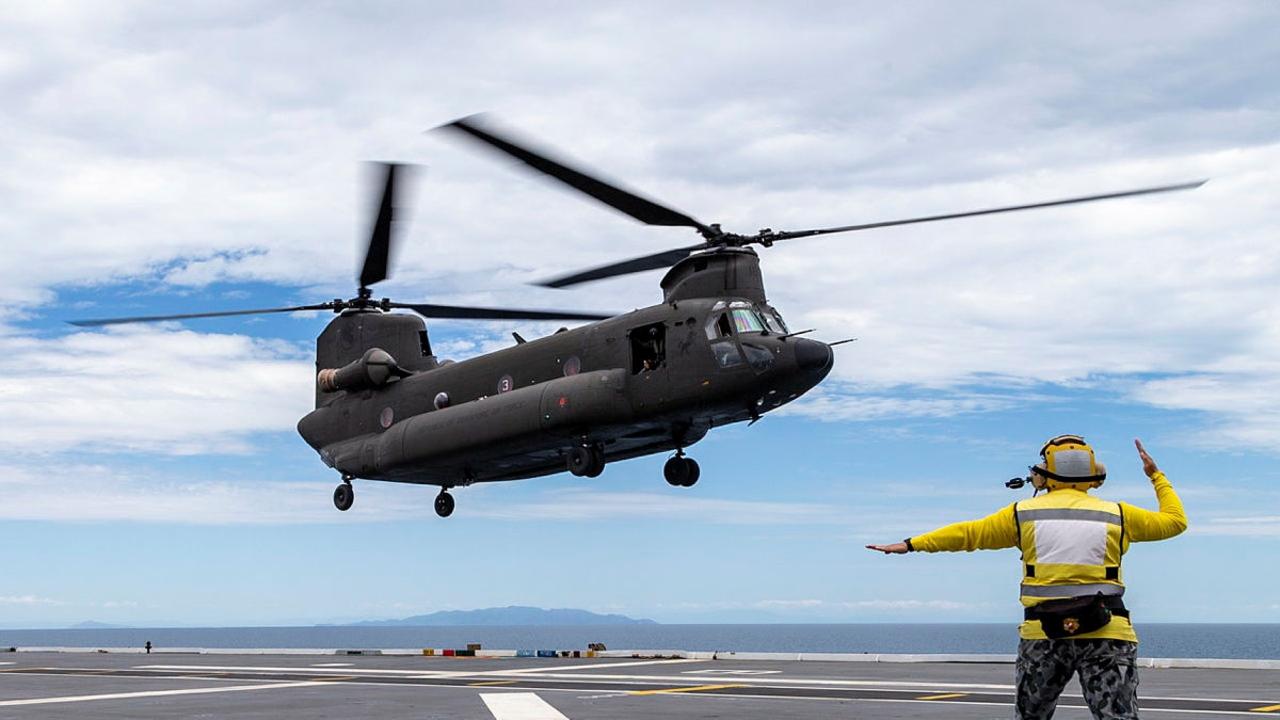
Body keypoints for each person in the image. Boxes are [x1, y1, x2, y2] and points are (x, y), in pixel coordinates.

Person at [867, 436, 1187, 720]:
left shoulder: (1022, 513)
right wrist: (1156, 476)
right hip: (1108, 631)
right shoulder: (1118, 513)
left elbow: (966, 534)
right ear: (1094, 476)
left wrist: (911, 544)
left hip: (1042, 634)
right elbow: (1174, 522)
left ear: (1042, 474)